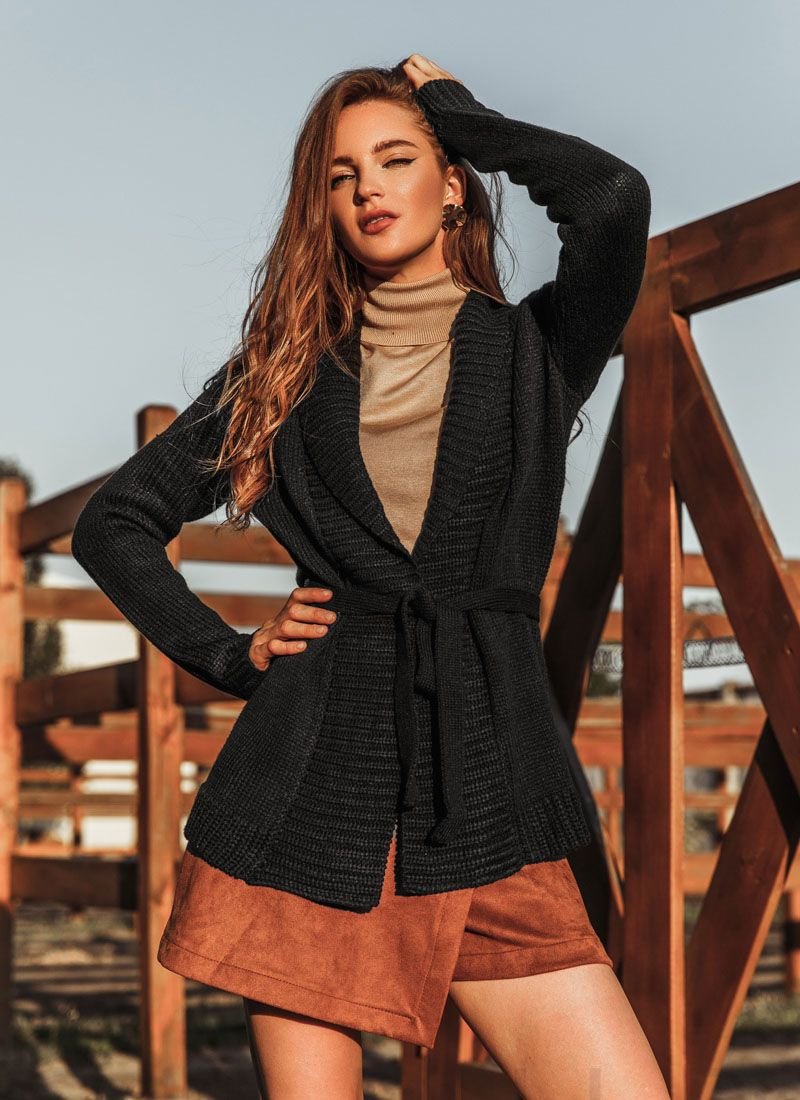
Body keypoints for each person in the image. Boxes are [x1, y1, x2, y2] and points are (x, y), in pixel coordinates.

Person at [72, 52, 669, 1099]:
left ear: (452, 186)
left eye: (397, 160)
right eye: (342, 174)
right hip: (315, 799)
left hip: (484, 791)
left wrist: (458, 115)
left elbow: (611, 199)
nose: (368, 189)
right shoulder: (282, 372)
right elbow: (113, 523)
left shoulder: (535, 347)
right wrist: (228, 652)